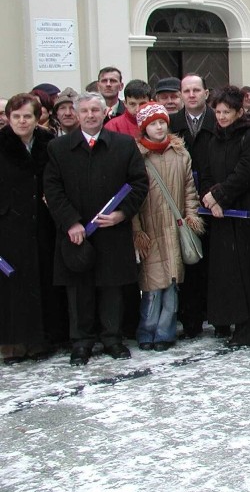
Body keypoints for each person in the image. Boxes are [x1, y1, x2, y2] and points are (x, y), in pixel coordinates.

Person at [43, 92, 149, 366]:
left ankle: (112, 338)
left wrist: (122, 214)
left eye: (95, 110)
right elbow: (52, 189)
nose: (90, 115)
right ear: (77, 115)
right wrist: (71, 221)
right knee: (78, 291)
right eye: (85, 111)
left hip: (112, 230)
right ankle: (81, 342)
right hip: (76, 232)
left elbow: (139, 183)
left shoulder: (124, 145)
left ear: (105, 114)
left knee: (111, 288)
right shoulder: (59, 148)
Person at [200, 86, 250, 348]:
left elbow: (246, 170)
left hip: (247, 210)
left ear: (239, 112)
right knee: (227, 269)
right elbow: (208, 171)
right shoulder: (214, 138)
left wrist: (220, 195)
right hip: (222, 212)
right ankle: (232, 319)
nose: (221, 117)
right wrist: (211, 198)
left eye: (227, 112)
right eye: (218, 111)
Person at [132, 103, 203, 351]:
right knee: (152, 287)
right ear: (144, 128)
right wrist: (137, 230)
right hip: (150, 227)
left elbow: (189, 190)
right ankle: (147, 330)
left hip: (174, 226)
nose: (159, 127)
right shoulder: (137, 155)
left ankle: (165, 332)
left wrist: (190, 217)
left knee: (172, 284)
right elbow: (132, 197)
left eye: (162, 122)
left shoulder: (180, 153)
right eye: (153, 124)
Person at [0, 94, 56, 363]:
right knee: (13, 287)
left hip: (43, 222)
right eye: (16, 116)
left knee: (42, 280)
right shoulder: (1, 143)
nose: (22, 121)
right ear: (9, 118)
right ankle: (14, 343)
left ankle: (41, 340)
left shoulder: (49, 144)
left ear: (38, 118)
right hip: (9, 224)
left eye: (27, 116)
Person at [169, 73, 214, 338]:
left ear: (206, 93)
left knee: (213, 261)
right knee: (188, 261)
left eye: (197, 90)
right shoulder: (173, 123)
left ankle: (216, 314)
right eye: (186, 91)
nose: (192, 95)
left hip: (212, 200)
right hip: (181, 202)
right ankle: (191, 320)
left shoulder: (216, 120)